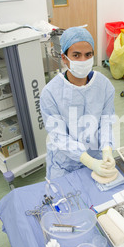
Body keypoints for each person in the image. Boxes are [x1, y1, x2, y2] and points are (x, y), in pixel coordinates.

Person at [40, 27, 117, 180]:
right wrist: (87, 160)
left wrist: (107, 149)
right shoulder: (50, 92)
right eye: (76, 55)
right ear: (64, 58)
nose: (83, 60)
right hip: (64, 165)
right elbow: (58, 135)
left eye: (88, 55)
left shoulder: (104, 85)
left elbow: (106, 122)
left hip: (96, 157)